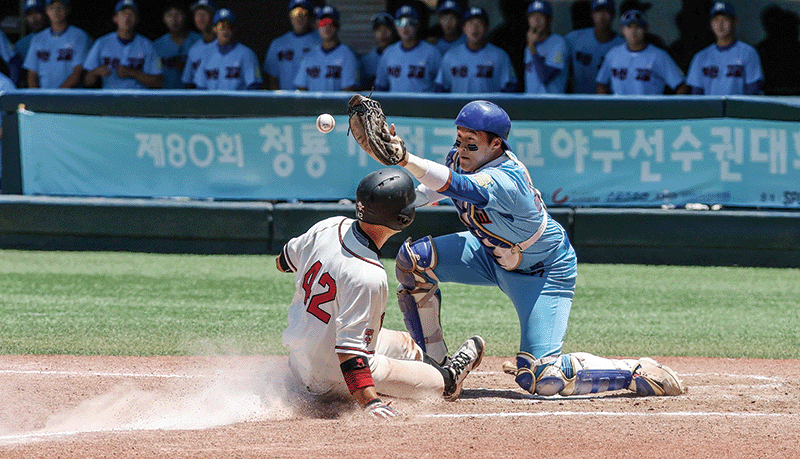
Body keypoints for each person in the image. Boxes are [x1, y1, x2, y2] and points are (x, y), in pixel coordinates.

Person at [362, 99, 685, 398]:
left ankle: (632, 371)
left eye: (471, 143)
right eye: (459, 140)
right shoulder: (460, 160)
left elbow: (459, 187)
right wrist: (397, 204)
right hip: (488, 254)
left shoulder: (507, 178)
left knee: (542, 377)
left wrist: (407, 159)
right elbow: (434, 190)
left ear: (496, 144)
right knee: (413, 261)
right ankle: (435, 367)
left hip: (543, 272)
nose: (462, 149)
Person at [278, 168, 485, 417]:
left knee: (408, 347)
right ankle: (446, 377)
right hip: (332, 377)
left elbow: (283, 262)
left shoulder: (329, 226)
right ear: (403, 220)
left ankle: (427, 366)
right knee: (442, 386)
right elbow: (350, 352)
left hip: (300, 358)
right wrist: (369, 402)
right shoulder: (368, 275)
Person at [596, 9, 687, 95]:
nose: (633, 31)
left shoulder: (659, 55)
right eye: (629, 27)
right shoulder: (613, 54)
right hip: (620, 110)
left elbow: (681, 86)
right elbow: (601, 85)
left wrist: (671, 110)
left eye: (638, 27)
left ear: (646, 29)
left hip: (649, 110)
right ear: (622, 29)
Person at [685, 2, 763, 96]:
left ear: (735, 22)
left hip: (738, 109)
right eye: (716, 20)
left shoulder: (748, 52)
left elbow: (752, 89)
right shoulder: (701, 57)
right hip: (710, 109)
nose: (720, 24)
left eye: (725, 19)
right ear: (710, 24)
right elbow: (696, 93)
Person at [82, 0, 162, 89]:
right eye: (123, 13)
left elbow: (158, 82)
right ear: (115, 18)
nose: (127, 17)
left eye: (131, 14)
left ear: (137, 19)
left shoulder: (147, 45)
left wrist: (131, 73)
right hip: (110, 98)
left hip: (138, 99)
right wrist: (95, 72)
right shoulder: (101, 43)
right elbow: (86, 81)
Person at [435, 7, 517, 93]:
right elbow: (441, 88)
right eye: (470, 23)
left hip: (487, 106)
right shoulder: (451, 55)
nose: (475, 28)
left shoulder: (500, 55)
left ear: (487, 28)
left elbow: (510, 88)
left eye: (479, 23)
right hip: (459, 106)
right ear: (464, 28)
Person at [23, 0, 91, 89]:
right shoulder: (38, 39)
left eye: (60, 7)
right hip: (43, 95)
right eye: (52, 8)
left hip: (71, 96)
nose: (56, 11)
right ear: (46, 11)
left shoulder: (79, 36)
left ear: (67, 10)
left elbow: (78, 72)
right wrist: (36, 97)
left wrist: (56, 96)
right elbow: (31, 74)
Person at [374, 5, 441, 93]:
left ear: (417, 25)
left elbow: (441, 87)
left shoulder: (432, 52)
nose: (405, 27)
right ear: (395, 26)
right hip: (395, 105)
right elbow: (380, 86)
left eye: (410, 22)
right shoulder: (389, 52)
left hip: (423, 105)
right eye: (400, 22)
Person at [293, 6, 359, 92]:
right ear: (318, 26)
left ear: (337, 26)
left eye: (331, 23)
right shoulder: (309, 56)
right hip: (312, 105)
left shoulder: (347, 55)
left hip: (336, 105)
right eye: (323, 23)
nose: (327, 27)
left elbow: (348, 91)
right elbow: (301, 89)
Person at [194, 8, 262, 90]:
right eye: (221, 26)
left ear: (234, 29)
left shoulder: (247, 54)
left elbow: (254, 85)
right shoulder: (205, 54)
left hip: (238, 102)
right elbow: (200, 87)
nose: (225, 31)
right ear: (214, 29)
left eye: (229, 26)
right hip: (212, 102)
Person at [565, 0, 624, 94]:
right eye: (598, 11)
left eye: (606, 12)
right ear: (592, 14)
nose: (602, 16)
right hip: (578, 100)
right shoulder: (574, 38)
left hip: (607, 103)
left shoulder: (622, 45)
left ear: (613, 15)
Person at [264, 0, 320, 90]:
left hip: (312, 99)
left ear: (309, 17)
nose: (299, 17)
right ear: (290, 16)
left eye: (303, 13)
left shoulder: (320, 42)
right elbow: (272, 79)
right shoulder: (278, 43)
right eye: (295, 13)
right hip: (285, 100)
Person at [523, 0, 568, 94]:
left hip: (552, 104)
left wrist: (532, 47)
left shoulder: (559, 43)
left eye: (541, 16)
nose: (536, 21)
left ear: (550, 19)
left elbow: (545, 77)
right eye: (532, 16)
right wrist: (531, 46)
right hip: (531, 103)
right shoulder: (528, 48)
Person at [154, 3, 201, 89]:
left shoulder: (199, 41)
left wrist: (188, 69)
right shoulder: (157, 46)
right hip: (166, 96)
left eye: (178, 14)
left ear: (185, 16)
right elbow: (155, 72)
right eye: (169, 15)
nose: (174, 19)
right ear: (164, 19)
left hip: (194, 96)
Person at [181, 0, 217, 89]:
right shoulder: (194, 49)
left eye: (204, 14)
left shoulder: (225, 46)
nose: (200, 18)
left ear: (214, 16)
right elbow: (188, 82)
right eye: (197, 14)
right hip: (202, 100)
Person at [360, 12, 397, 90]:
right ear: (374, 33)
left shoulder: (401, 56)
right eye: (379, 30)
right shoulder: (367, 60)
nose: (383, 34)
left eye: (387, 29)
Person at [14, 0, 49, 84]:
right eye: (29, 14)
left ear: (45, 14)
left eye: (37, 12)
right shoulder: (21, 45)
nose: (33, 17)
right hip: (32, 92)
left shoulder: (57, 36)